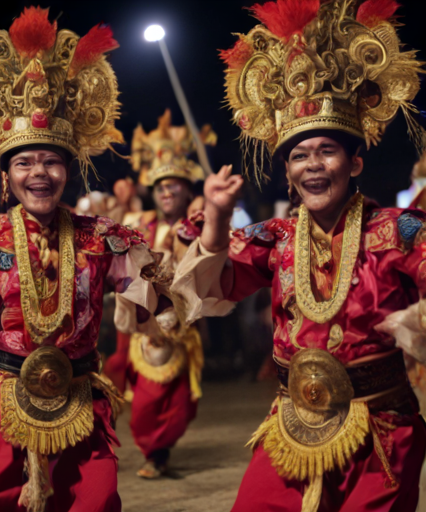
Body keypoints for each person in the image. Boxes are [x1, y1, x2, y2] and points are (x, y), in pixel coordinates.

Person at [0, 8, 172, 512]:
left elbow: (154, 305)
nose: (39, 172)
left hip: (78, 393)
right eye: (24, 162)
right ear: (7, 176)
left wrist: (166, 269)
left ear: (68, 170)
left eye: (51, 160)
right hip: (0, 394)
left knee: (94, 503)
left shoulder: (102, 237)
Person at [171, 0, 426, 510]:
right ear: (287, 171)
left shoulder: (397, 231)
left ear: (354, 162)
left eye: (326, 151)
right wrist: (217, 218)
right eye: (298, 156)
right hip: (293, 424)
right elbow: (212, 290)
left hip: (381, 427)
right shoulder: (275, 236)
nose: (312, 165)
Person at [105, 129, 205, 478]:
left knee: (178, 405)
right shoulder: (138, 224)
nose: (166, 191)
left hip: (181, 329)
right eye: (160, 186)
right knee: (146, 403)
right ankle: (153, 452)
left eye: (174, 185)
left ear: (188, 191)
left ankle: (160, 453)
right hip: (144, 329)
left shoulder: (197, 227)